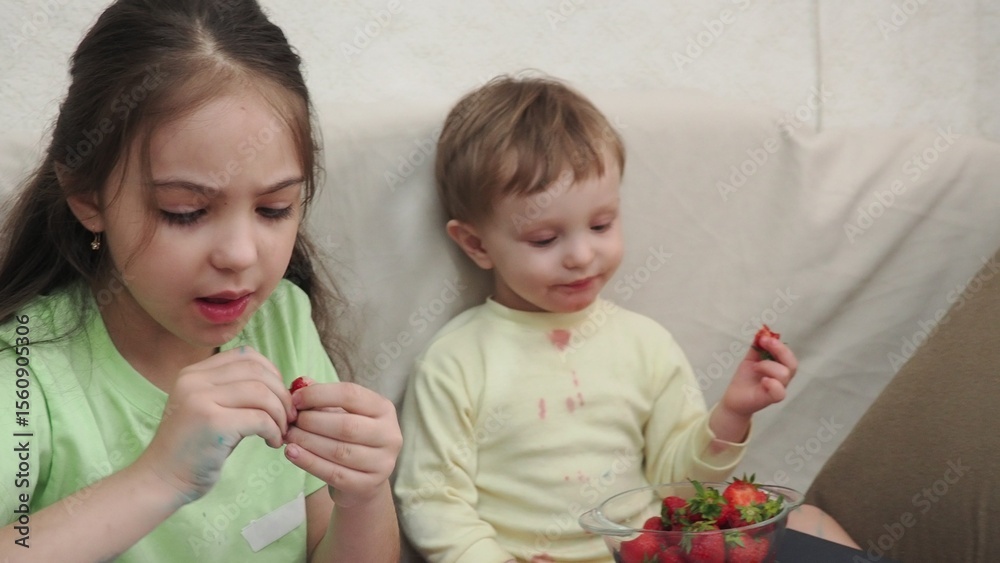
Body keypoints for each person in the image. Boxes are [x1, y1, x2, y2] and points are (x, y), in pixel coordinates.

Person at [393, 74, 855, 562]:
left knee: (810, 522)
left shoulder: (644, 344)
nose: (581, 255)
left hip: (648, 554)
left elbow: (682, 487)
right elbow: (433, 500)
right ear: (476, 244)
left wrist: (733, 414)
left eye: (601, 225)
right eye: (545, 239)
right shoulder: (455, 361)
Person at [0, 1, 401, 561]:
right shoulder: (27, 371)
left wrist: (363, 495)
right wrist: (159, 478)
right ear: (88, 198)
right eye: (184, 212)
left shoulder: (282, 320)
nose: (240, 255)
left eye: (274, 209)